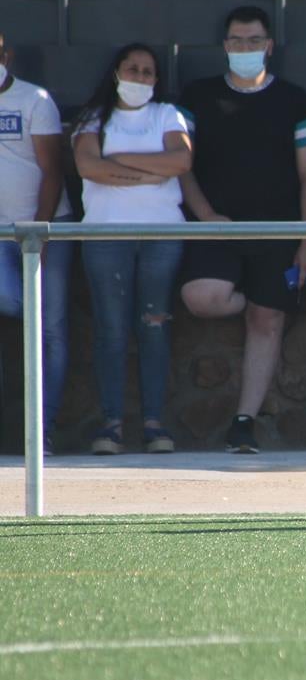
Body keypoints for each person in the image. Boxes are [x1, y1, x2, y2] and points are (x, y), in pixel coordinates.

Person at [177, 5, 306, 454]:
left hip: (278, 232)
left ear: (269, 46)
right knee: (202, 297)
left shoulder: (295, 100)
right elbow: (181, 166)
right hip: (216, 230)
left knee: (267, 319)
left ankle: (244, 423)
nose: (246, 48)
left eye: (254, 40)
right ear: (225, 46)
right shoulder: (197, 96)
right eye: (238, 41)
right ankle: (262, 298)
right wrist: (206, 216)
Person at [72, 44, 191, 454]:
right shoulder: (93, 118)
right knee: (111, 329)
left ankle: (154, 424)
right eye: (132, 69)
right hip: (105, 235)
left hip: (161, 235)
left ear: (156, 79)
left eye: (147, 71)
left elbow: (180, 161)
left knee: (154, 326)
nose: (139, 77)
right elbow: (88, 166)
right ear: (116, 73)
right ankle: (112, 425)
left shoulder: (167, 115)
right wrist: (147, 171)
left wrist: (119, 160)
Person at [0, 32, 74, 456]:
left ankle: (42, 429)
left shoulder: (35, 100)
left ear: (6, 55)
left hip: (44, 228)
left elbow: (52, 170)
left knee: (51, 328)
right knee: (13, 304)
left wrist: (39, 232)